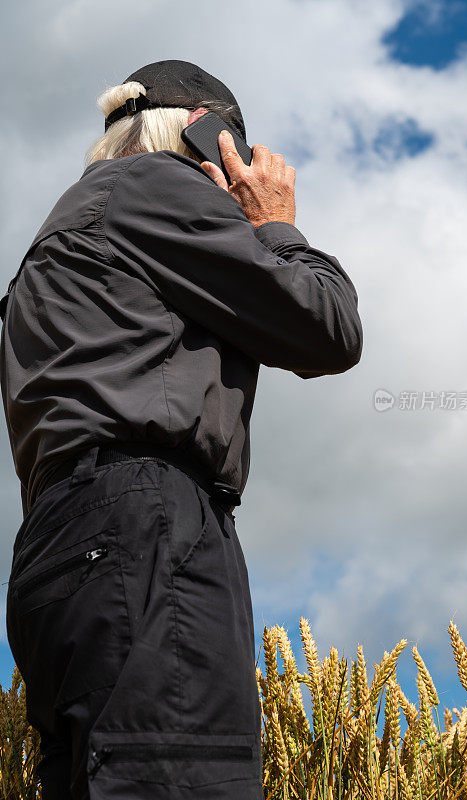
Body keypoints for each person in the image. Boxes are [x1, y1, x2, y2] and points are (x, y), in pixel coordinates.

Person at [0, 60, 363, 799]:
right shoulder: (157, 187)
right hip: (149, 525)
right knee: (184, 776)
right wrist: (275, 223)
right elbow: (329, 329)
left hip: (57, 546)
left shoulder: (61, 232)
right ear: (209, 137)